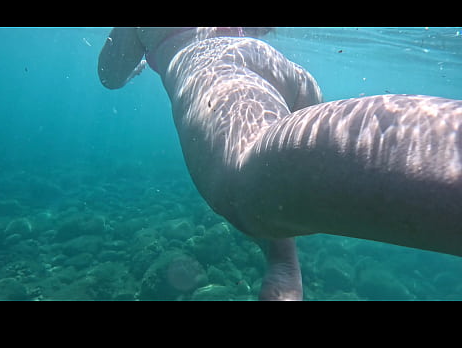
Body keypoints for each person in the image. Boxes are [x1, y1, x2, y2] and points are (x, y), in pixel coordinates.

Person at [99, 27, 462, 300]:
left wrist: (139, 60)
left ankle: (282, 255)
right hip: (268, 65)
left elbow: (109, 75)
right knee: (267, 171)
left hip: (211, 67)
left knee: (241, 185)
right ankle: (282, 258)